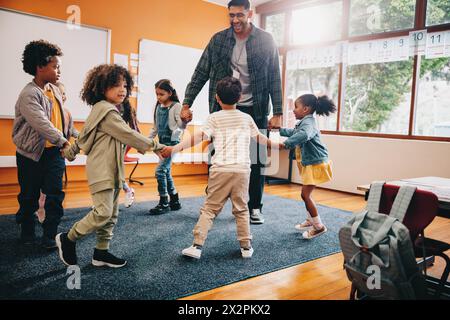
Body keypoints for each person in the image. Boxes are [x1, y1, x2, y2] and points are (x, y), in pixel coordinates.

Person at [180, 0, 283, 225]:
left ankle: (254, 207)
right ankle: (212, 204)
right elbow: (200, 73)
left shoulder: (266, 40)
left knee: (256, 160)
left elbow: (275, 75)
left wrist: (278, 111)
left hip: (255, 109)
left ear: (250, 14)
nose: (235, 20)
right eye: (231, 16)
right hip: (223, 108)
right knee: (217, 158)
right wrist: (187, 103)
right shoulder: (218, 40)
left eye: (239, 15)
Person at [56, 64, 164, 267]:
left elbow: (85, 135)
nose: (122, 89)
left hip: (113, 169)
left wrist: (70, 151)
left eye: (124, 85)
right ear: (102, 87)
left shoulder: (104, 110)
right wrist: (157, 146)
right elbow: (129, 135)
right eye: (116, 84)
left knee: (111, 214)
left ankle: (101, 253)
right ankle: (68, 238)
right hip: (102, 169)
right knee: (103, 212)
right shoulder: (106, 112)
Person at [161, 77, 274, 259]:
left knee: (210, 209)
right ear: (240, 97)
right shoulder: (247, 118)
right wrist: (278, 144)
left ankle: (197, 246)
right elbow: (261, 138)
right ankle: (246, 247)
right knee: (242, 209)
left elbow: (197, 137)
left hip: (220, 170)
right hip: (242, 171)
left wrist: (174, 148)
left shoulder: (214, 118)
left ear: (217, 98)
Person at [12, 40, 69, 249]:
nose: (58, 70)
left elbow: (62, 121)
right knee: (29, 197)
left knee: (55, 195)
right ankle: (27, 232)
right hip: (30, 155)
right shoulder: (29, 94)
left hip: (53, 153)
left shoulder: (54, 91)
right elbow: (41, 123)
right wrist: (63, 141)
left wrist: (75, 136)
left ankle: (49, 235)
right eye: (55, 66)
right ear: (40, 67)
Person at [278, 94, 336, 239]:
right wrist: (279, 130)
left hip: (315, 163)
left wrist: (286, 143)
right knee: (306, 195)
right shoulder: (305, 121)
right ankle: (311, 220)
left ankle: (319, 226)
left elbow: (304, 135)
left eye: (295, 107)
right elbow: (295, 132)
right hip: (310, 162)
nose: (293, 111)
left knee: (305, 195)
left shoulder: (308, 123)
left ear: (305, 109)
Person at [36, 82, 79, 223]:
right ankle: (40, 207)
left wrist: (84, 136)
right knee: (41, 184)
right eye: (60, 94)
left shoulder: (67, 113)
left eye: (64, 94)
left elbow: (72, 131)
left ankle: (50, 212)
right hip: (44, 151)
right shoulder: (46, 112)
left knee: (54, 185)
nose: (63, 96)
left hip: (59, 153)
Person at [148, 79, 186, 214]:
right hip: (161, 145)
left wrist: (175, 142)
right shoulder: (158, 107)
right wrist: (148, 140)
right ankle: (174, 200)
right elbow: (155, 127)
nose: (158, 97)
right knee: (166, 171)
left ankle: (164, 202)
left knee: (160, 171)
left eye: (161, 94)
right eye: (157, 94)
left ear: (169, 93)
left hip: (172, 145)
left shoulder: (176, 106)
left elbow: (181, 127)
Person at [116, 98, 140, 208]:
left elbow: (136, 132)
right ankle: (127, 191)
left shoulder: (126, 109)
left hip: (121, 146)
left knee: (115, 172)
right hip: (111, 146)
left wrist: (124, 151)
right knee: (112, 173)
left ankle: (127, 190)